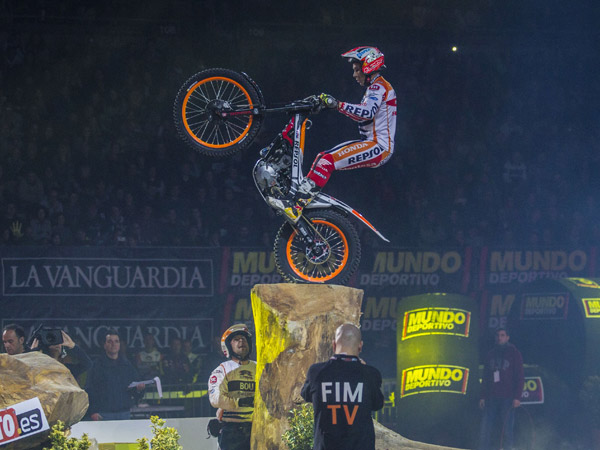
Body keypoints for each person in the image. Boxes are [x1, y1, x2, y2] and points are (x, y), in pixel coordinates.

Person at [268, 46, 397, 223]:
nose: (354, 75)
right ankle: (298, 200)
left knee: (326, 161)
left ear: (368, 67)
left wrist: (337, 105)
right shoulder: (377, 87)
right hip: (372, 143)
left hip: (378, 146)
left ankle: (297, 205)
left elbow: (367, 113)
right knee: (323, 158)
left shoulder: (379, 87)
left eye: (357, 70)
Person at [301, 323, 384, 450]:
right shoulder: (370, 374)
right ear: (360, 346)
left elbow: (306, 395)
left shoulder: (316, 372)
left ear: (334, 345)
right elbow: (378, 404)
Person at [208, 324, 256, 450]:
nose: (241, 341)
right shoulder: (222, 369)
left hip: (257, 429)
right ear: (228, 346)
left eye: (244, 339)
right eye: (236, 339)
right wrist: (239, 402)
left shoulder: (258, 367)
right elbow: (215, 399)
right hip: (231, 431)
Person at [478, 327, 524, 450]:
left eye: (502, 335)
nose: (499, 338)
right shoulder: (490, 354)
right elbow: (485, 377)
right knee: (486, 429)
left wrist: (517, 397)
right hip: (491, 397)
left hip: (508, 398)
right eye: (498, 335)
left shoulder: (514, 354)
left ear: (507, 337)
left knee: (507, 429)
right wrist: (482, 396)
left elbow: (520, 376)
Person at [85, 329, 145, 421]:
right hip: (103, 413)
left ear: (120, 345)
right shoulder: (96, 366)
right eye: (110, 341)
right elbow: (90, 390)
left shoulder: (127, 365)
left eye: (116, 341)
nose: (113, 344)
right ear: (104, 345)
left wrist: (139, 390)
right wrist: (93, 411)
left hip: (124, 413)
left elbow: (135, 389)